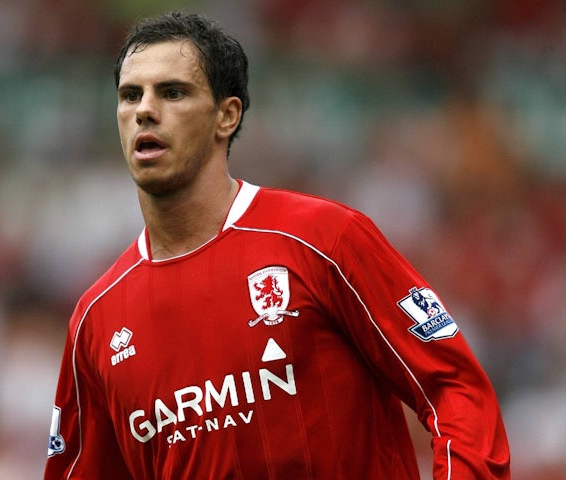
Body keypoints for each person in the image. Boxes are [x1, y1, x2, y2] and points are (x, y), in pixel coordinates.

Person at [44, 12, 510, 480]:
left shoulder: (324, 239)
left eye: (172, 92)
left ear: (226, 116)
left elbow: (455, 390)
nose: (144, 110)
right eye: (130, 95)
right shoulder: (97, 321)